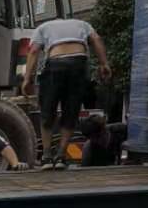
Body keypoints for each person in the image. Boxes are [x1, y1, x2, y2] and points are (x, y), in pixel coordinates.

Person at [22, 15, 112, 169]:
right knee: (71, 111)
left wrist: (27, 78)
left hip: (56, 63)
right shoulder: (82, 23)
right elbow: (96, 39)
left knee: (47, 111)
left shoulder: (43, 27)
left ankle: (46, 157)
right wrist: (104, 64)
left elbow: (34, 51)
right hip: (79, 63)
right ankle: (61, 156)